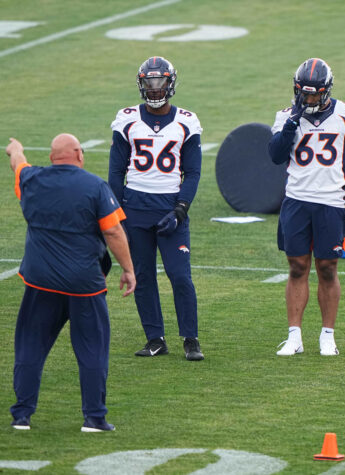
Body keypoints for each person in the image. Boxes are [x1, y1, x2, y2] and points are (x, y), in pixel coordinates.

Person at [6, 134, 136, 432]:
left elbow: (18, 164)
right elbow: (114, 233)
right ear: (78, 154)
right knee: (92, 350)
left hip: (40, 281)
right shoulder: (94, 186)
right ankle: (94, 417)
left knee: (30, 347)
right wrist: (128, 269)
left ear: (53, 158)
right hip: (84, 284)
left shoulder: (32, 179)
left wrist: (16, 147)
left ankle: (22, 415)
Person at [268, 58, 345, 356]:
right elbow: (275, 155)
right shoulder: (286, 115)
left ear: (326, 91)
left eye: (314, 94)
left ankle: (327, 335)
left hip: (331, 201)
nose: (309, 99)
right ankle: (294, 336)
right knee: (297, 267)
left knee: (327, 268)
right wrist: (291, 123)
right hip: (296, 199)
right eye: (304, 93)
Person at [108, 56, 204, 361]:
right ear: (141, 84)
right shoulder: (126, 120)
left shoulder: (187, 121)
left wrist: (180, 210)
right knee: (143, 276)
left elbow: (194, 172)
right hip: (135, 207)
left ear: (170, 83)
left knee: (180, 276)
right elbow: (115, 172)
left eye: (159, 81)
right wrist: (118, 213)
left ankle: (191, 338)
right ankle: (155, 338)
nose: (154, 88)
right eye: (149, 82)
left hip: (169, 207)